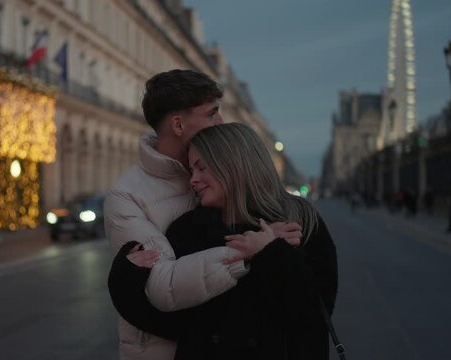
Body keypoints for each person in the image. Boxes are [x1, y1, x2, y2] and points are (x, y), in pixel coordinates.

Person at [104, 70, 301, 360]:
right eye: (212, 114)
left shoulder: (222, 178)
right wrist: (250, 251)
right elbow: (162, 285)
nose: (220, 122)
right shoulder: (127, 196)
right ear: (178, 124)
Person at [108, 123, 338, 359]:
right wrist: (125, 278)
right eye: (191, 170)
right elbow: (167, 321)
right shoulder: (187, 229)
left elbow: (313, 316)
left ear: (233, 164)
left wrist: (271, 253)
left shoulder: (301, 220)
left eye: (201, 168)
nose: (193, 180)